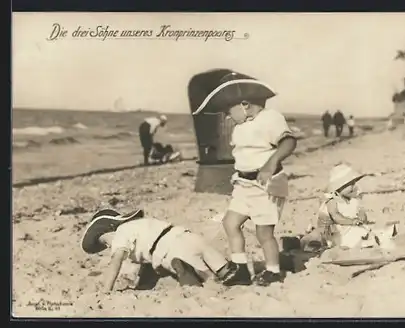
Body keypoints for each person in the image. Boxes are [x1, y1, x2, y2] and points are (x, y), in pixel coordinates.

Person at [192, 71, 297, 287]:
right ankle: (240, 268)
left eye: (228, 111)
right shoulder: (240, 127)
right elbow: (243, 156)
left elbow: (288, 142)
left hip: (266, 185)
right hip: (243, 184)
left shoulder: (271, 118)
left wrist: (271, 163)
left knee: (263, 232)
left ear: (244, 104)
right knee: (230, 222)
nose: (228, 117)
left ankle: (273, 271)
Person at [80, 208, 239, 292]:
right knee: (226, 271)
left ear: (111, 229)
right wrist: (142, 284)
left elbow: (116, 261)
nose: (109, 247)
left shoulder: (121, 234)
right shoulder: (141, 225)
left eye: (106, 243)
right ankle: (230, 270)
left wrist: (106, 289)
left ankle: (189, 274)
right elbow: (146, 264)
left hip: (172, 251)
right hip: (189, 236)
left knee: (199, 279)